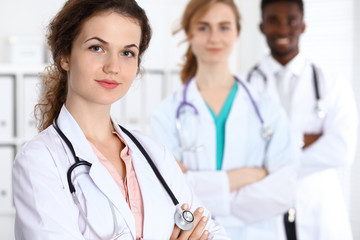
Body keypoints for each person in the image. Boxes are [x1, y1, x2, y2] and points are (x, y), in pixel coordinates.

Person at [11, 0, 230, 239]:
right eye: (97, 48)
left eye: (127, 53)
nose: (113, 67)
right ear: (65, 55)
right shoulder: (39, 160)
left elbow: (215, 233)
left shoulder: (155, 155)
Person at [150, 0, 299, 239]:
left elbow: (283, 192)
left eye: (224, 27)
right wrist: (238, 178)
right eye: (203, 27)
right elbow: (167, 192)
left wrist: (200, 189)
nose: (214, 38)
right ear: (189, 33)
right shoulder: (167, 113)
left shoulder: (267, 108)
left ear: (237, 32)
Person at [245, 0, 358, 239]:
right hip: (264, 210)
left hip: (319, 207)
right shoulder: (244, 87)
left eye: (291, 21)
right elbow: (242, 150)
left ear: (303, 26)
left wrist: (279, 148)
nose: (283, 29)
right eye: (273, 20)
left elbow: (342, 150)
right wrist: (305, 139)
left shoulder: (332, 84)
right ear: (262, 27)